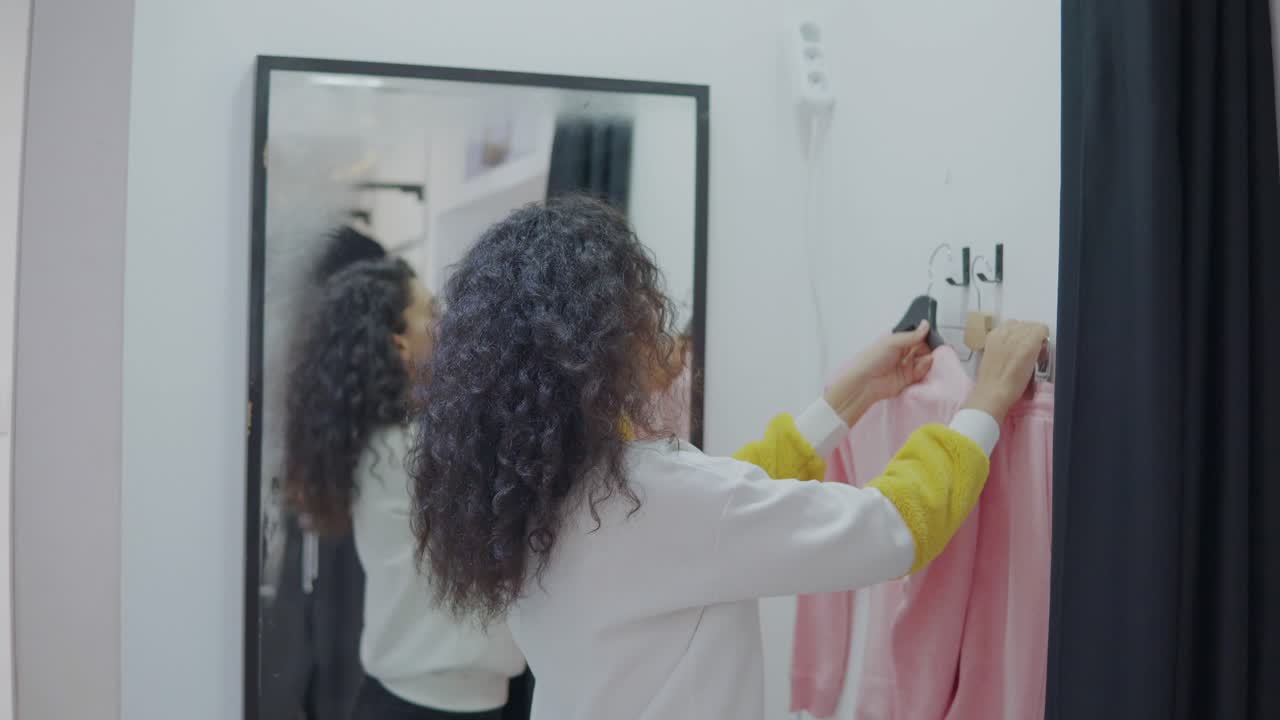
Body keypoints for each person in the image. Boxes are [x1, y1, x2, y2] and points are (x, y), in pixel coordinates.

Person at [408, 195, 1048, 720]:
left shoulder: (534, 493)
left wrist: (851, 398)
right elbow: (894, 529)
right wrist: (986, 401)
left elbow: (725, 500)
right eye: (642, 308)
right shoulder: (654, 494)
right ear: (605, 335)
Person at [282, 249, 527, 720]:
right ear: (398, 342)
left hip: (434, 699)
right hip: (426, 705)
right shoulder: (404, 451)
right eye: (432, 313)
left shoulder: (389, 446)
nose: (447, 323)